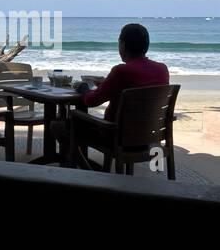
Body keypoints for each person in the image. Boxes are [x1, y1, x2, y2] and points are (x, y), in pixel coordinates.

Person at [62, 23, 170, 164]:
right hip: (148, 137)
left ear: (123, 45)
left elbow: (91, 101)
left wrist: (83, 87)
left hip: (115, 137)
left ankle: (86, 169)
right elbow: (136, 85)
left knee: (60, 125)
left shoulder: (121, 71)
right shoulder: (162, 69)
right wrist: (106, 83)